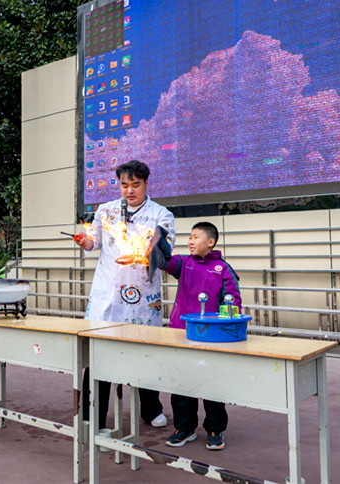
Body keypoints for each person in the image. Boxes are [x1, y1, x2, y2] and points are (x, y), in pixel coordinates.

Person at [75, 160, 175, 429]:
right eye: (124, 185)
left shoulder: (161, 214)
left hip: (143, 298)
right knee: (99, 354)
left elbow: (165, 251)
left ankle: (150, 409)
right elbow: (93, 241)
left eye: (135, 185)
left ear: (146, 184)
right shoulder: (105, 210)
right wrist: (85, 241)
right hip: (108, 294)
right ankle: (92, 413)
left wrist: (148, 249)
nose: (129, 190)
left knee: (145, 353)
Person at [160, 221, 242, 451]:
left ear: (211, 242)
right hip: (181, 333)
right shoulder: (183, 263)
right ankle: (184, 428)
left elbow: (234, 301)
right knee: (182, 383)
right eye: (190, 237)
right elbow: (164, 262)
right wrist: (155, 243)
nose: (190, 241)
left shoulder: (223, 269)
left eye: (196, 237)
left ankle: (215, 429)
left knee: (212, 384)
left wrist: (225, 325)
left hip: (211, 337)